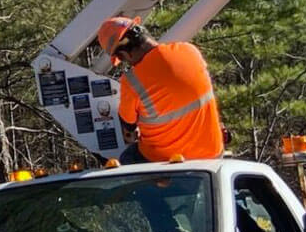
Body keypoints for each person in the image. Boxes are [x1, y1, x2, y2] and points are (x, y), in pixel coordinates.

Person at [96, 18, 224, 163]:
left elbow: (128, 124)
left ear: (125, 54)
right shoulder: (189, 51)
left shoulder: (132, 81)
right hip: (212, 153)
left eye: (122, 59)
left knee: (127, 158)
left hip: (165, 161)